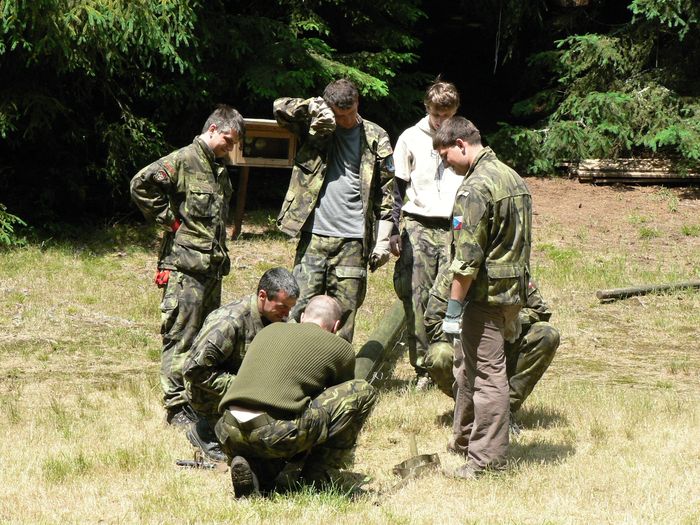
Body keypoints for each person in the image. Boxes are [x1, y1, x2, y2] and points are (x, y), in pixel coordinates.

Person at [130, 105, 245, 427]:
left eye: (234, 143)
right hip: (184, 267)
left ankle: (198, 401)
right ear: (212, 129)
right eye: (227, 140)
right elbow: (140, 184)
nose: (229, 147)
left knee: (205, 338)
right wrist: (170, 222)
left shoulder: (217, 168)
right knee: (181, 336)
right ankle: (176, 407)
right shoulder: (183, 160)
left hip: (211, 268)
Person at [433, 116, 532, 478]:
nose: (446, 165)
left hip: (485, 296)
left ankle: (486, 462)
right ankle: (463, 440)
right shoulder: (513, 178)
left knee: (488, 376)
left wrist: (453, 308)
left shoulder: (474, 189)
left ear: (461, 145)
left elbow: (467, 259)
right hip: (512, 293)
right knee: (468, 367)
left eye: (445, 156)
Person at [214, 295, 377, 498]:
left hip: (227, 431)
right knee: (361, 391)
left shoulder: (269, 330)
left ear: (302, 317)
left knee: (280, 418)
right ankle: (317, 476)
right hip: (274, 433)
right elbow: (339, 397)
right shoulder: (341, 347)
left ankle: (256, 470)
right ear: (336, 326)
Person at [273, 79, 394, 342]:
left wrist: (383, 239)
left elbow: (387, 191)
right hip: (314, 235)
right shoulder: (316, 126)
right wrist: (313, 107)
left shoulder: (375, 136)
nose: (345, 121)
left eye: (350, 113)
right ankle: (293, 360)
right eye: (339, 116)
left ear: (357, 103)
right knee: (299, 306)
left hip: (353, 240)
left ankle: (336, 366)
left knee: (344, 314)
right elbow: (280, 108)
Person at [383, 79, 463, 389]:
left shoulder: (463, 137)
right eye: (436, 114)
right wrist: (392, 230)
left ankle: (449, 361)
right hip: (418, 224)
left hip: (454, 225)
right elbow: (397, 188)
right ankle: (422, 368)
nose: (442, 121)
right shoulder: (410, 138)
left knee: (451, 295)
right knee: (417, 296)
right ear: (427, 108)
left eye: (448, 115)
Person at [182, 267, 299, 461]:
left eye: (290, 308)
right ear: (263, 296)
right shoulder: (229, 323)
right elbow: (194, 371)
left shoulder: (279, 319)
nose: (287, 314)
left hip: (250, 387)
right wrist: (245, 387)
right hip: (210, 393)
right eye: (282, 307)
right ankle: (206, 431)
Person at [423, 268, 559, 432]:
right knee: (439, 355)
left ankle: (505, 410)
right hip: (465, 350)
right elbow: (433, 323)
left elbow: (540, 311)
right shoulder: (453, 275)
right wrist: (469, 330)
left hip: (506, 345)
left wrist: (508, 322)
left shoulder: (510, 270)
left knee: (547, 334)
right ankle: (470, 408)